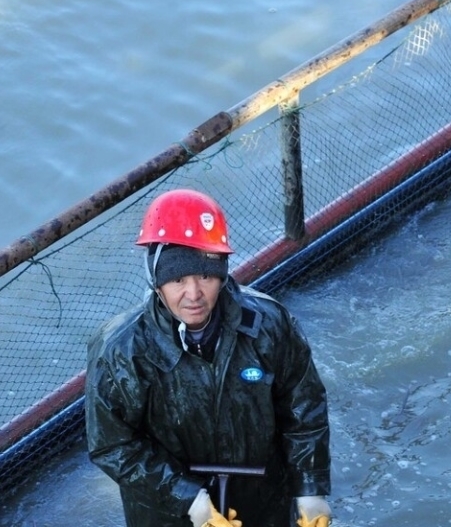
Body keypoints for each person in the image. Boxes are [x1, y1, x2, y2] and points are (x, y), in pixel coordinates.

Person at [85, 188, 333, 527]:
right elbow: (112, 445)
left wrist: (310, 488)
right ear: (156, 282)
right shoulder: (119, 350)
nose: (193, 294)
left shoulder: (269, 324)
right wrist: (189, 500)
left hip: (263, 501)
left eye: (205, 275)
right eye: (177, 279)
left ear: (222, 273)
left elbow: (304, 409)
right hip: (168, 515)